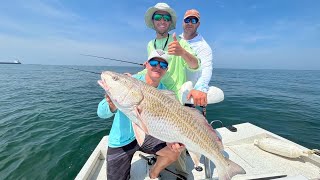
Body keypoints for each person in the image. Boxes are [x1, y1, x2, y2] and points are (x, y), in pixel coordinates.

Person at [97, 49, 182, 180]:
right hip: (122, 139)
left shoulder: (166, 92)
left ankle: (153, 173)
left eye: (163, 65)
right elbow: (101, 113)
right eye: (154, 62)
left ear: (166, 70)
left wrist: (172, 139)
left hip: (148, 135)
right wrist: (111, 105)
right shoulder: (129, 81)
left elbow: (171, 121)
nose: (158, 67)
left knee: (174, 152)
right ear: (146, 64)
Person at [142, 2, 201, 176]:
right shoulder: (150, 44)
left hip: (178, 102)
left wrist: (182, 52)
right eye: (158, 17)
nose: (162, 20)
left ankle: (182, 174)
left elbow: (195, 65)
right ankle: (160, 165)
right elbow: (151, 68)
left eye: (166, 17)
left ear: (170, 22)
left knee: (179, 145)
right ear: (153, 21)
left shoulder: (180, 42)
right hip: (159, 100)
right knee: (164, 138)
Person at [180, 9, 213, 107]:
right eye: (187, 20)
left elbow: (207, 68)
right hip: (172, 90)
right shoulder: (176, 39)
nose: (189, 23)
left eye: (193, 20)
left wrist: (200, 89)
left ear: (198, 24)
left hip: (188, 96)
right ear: (183, 22)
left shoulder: (203, 46)